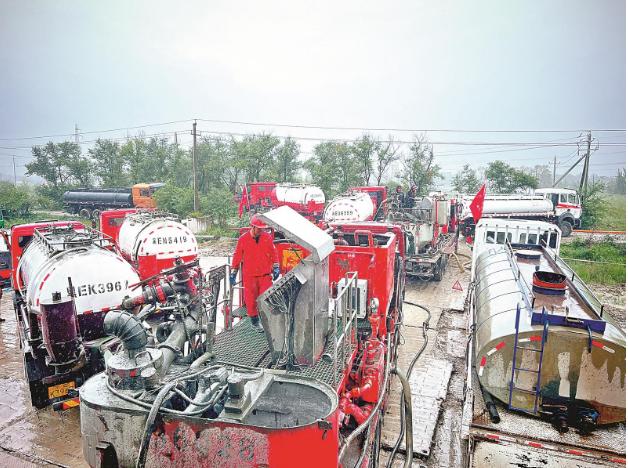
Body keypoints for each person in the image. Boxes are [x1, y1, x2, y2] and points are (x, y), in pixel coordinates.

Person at [230, 215, 280, 332]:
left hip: (265, 275)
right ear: (252, 227)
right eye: (259, 228)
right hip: (250, 276)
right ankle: (255, 322)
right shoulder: (243, 239)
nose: (261, 230)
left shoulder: (267, 237)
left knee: (266, 298)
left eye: (262, 228)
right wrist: (234, 272)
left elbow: (274, 253)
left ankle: (267, 320)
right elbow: (237, 256)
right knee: (251, 300)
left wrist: (276, 266)